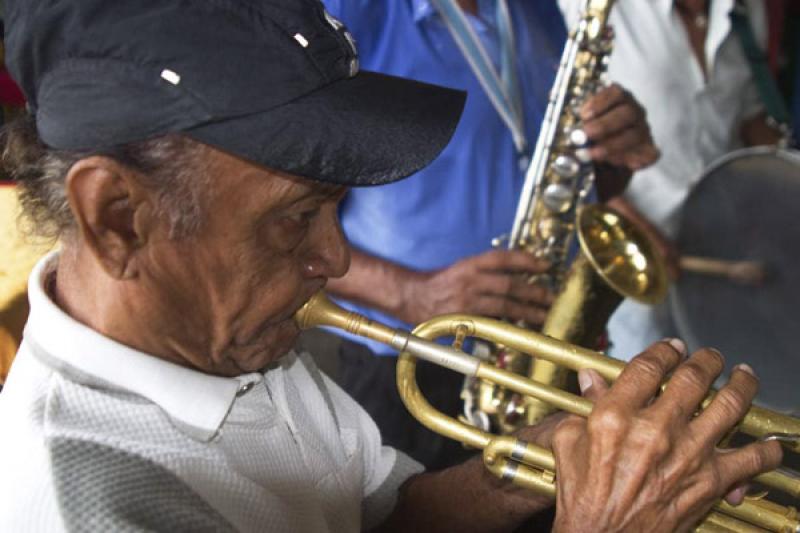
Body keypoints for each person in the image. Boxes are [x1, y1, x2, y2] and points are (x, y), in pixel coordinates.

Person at [0, 1, 781, 531]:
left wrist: (534, 462)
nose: (334, 256)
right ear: (117, 218)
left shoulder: (224, 337)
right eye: (296, 216)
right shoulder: (83, 503)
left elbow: (385, 514)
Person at [320, 0, 660, 469]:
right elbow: (274, 216)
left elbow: (568, 182)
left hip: (538, 358)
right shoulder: (347, 12)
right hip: (410, 367)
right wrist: (411, 294)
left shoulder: (537, 12)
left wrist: (613, 155)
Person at [557, 0, 786, 360]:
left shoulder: (747, 10)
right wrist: (625, 224)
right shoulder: (587, 7)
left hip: (724, 254)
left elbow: (747, 116)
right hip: (629, 264)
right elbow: (551, 126)